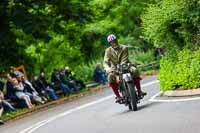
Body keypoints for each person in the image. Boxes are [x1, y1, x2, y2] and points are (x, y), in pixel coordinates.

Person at [104, 34, 147, 102]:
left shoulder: (124, 47)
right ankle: (118, 96)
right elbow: (105, 61)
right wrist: (107, 69)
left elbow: (124, 59)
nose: (114, 43)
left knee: (135, 70)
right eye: (112, 42)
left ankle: (139, 91)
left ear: (117, 40)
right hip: (114, 68)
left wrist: (122, 66)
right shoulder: (108, 51)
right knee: (110, 77)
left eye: (115, 41)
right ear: (110, 43)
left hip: (125, 65)